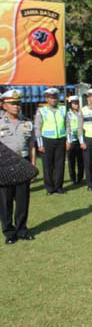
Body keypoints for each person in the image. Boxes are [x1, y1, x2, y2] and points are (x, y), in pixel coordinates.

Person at [0, 90, 36, 244]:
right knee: (5, 201)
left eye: (18, 103)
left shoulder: (27, 122)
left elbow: (32, 145)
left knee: (23, 199)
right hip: (4, 165)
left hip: (23, 163)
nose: (16, 106)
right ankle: (9, 232)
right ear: (3, 105)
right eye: (12, 103)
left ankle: (22, 229)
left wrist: (32, 166)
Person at [34, 87, 67, 195]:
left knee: (60, 164)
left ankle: (59, 187)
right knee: (47, 165)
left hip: (61, 140)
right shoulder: (41, 110)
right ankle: (50, 187)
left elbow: (68, 126)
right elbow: (37, 128)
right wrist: (40, 144)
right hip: (47, 141)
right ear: (46, 99)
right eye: (51, 97)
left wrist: (69, 140)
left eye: (55, 97)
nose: (53, 100)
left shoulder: (63, 109)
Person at [65, 95, 84, 185]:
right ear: (70, 104)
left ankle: (80, 178)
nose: (76, 105)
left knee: (81, 160)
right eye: (74, 103)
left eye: (77, 103)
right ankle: (73, 178)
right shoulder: (68, 114)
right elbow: (67, 127)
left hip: (81, 140)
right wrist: (68, 140)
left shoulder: (82, 113)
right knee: (71, 161)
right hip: (72, 140)